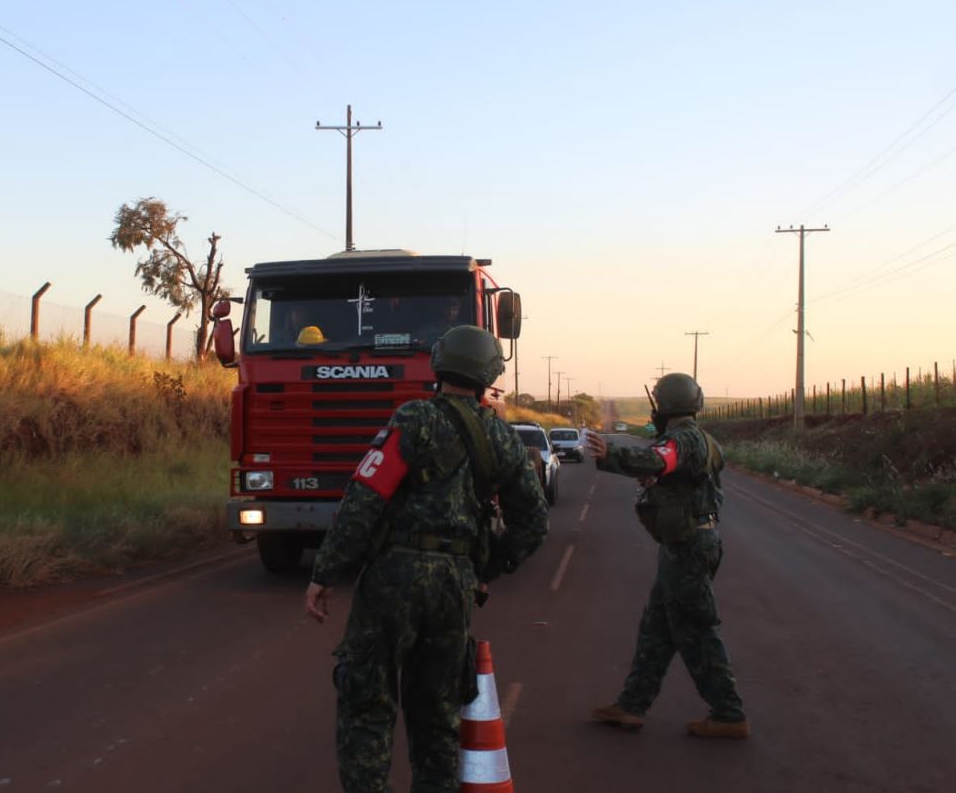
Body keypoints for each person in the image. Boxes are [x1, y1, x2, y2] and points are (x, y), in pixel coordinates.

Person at [305, 325, 550, 791]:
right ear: (488, 375)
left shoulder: (414, 418)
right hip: (454, 585)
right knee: (438, 717)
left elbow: (365, 497)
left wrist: (326, 572)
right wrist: (486, 569)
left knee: (367, 706)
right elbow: (534, 522)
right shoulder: (501, 437)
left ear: (440, 365)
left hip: (392, 578)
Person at [585, 372, 749, 739]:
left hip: (688, 548)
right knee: (656, 630)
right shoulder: (703, 439)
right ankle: (632, 705)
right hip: (684, 545)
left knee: (696, 631)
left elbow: (660, 459)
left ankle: (728, 713)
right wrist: (658, 480)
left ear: (664, 405)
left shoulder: (683, 439)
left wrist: (612, 454)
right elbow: (683, 475)